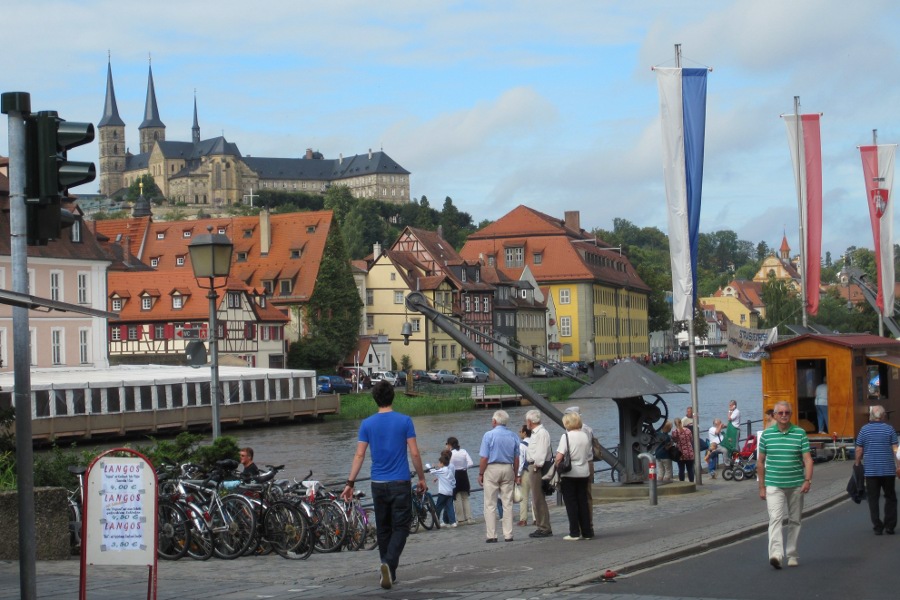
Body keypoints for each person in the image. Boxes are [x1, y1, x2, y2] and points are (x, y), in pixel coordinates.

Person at [341, 380, 426, 590]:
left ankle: (388, 571)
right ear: (393, 397)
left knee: (384, 528)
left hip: (377, 483)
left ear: (375, 399)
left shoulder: (367, 424)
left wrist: (350, 482)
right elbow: (414, 452)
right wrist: (422, 478)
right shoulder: (405, 421)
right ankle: (388, 564)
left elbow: (360, 454)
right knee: (402, 527)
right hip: (400, 481)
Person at [757, 400, 813, 569]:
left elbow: (808, 459)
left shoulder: (800, 433)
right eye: (780, 413)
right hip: (774, 484)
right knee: (775, 518)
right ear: (774, 415)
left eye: (786, 413)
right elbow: (760, 462)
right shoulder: (767, 435)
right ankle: (775, 554)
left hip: (796, 483)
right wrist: (761, 486)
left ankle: (792, 553)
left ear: (790, 414)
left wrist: (807, 480)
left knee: (795, 520)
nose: (783, 416)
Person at [854, 405, 899, 535]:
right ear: (883, 416)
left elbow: (859, 449)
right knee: (890, 497)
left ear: (871, 416)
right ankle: (890, 525)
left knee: (873, 499)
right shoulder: (889, 429)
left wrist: (857, 464)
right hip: (888, 470)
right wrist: (898, 466)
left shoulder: (864, 430)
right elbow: (896, 449)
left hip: (871, 471)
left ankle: (878, 526)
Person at [477, 409, 520, 543]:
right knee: (508, 502)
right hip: (508, 468)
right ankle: (508, 534)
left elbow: (484, 457)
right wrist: (516, 473)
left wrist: (480, 473)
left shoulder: (488, 435)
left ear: (495, 421)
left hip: (492, 468)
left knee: (490, 503)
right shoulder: (513, 436)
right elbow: (517, 458)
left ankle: (492, 535)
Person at [555, 411, 594, 540]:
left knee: (571, 503)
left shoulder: (566, 436)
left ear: (568, 423)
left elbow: (559, 456)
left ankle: (574, 532)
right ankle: (587, 532)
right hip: (584, 472)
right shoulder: (585, 435)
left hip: (570, 473)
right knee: (582, 502)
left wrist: (556, 465)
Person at [524, 409, 553, 538]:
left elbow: (541, 452)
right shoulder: (536, 433)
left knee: (538, 498)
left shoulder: (541, 433)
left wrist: (537, 466)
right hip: (533, 466)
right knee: (536, 498)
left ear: (530, 421)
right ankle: (541, 526)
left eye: (527, 421)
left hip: (537, 468)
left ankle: (544, 527)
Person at [446, 437, 474, 525]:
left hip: (455, 475)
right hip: (464, 474)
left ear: (449, 445)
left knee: (457, 497)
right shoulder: (463, 451)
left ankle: (460, 518)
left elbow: (448, 465)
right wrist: (465, 467)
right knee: (465, 497)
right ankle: (469, 517)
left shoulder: (450, 454)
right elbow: (471, 463)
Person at [429, 451, 458, 527]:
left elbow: (433, 472)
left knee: (438, 507)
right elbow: (453, 481)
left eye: (439, 463)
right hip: (450, 492)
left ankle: (436, 520)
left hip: (443, 492)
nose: (438, 464)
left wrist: (430, 467)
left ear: (442, 463)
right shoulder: (449, 471)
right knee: (450, 507)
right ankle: (453, 522)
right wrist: (452, 487)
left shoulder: (442, 470)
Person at [516, 424, 533, 527]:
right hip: (535, 469)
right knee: (535, 496)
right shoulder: (534, 442)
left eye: (520, 431)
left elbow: (521, 461)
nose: (519, 433)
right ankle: (536, 518)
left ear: (525, 433)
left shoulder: (521, 445)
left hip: (526, 471)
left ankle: (523, 519)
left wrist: (518, 475)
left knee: (524, 496)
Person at [672, 418, 695, 482]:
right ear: (681, 423)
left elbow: (674, 441)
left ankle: (682, 483)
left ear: (675, 424)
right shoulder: (688, 430)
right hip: (689, 451)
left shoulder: (674, 432)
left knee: (681, 469)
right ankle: (691, 483)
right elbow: (691, 440)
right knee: (690, 469)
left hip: (680, 453)